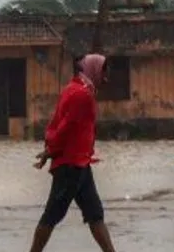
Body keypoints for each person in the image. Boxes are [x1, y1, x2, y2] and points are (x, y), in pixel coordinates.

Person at [29, 54, 117, 252]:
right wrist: (50, 150)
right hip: (71, 165)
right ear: (94, 71)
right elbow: (65, 128)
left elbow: (58, 124)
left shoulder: (73, 89)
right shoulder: (82, 95)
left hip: (81, 163)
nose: (106, 79)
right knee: (52, 215)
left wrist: (49, 150)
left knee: (95, 213)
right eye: (103, 73)